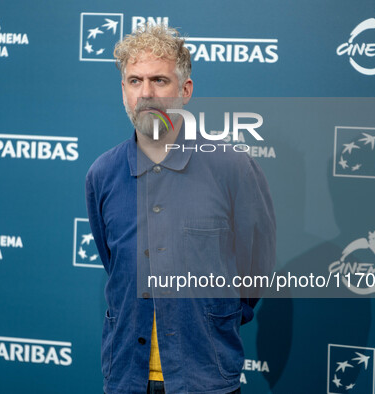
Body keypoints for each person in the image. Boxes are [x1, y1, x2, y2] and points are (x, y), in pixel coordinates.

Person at [85, 24, 275, 394]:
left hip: (205, 376)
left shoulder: (232, 168)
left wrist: (219, 320)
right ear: (123, 91)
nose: (147, 94)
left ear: (185, 90)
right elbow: (114, 262)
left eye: (159, 80)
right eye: (135, 80)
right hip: (126, 377)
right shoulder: (102, 174)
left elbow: (256, 267)